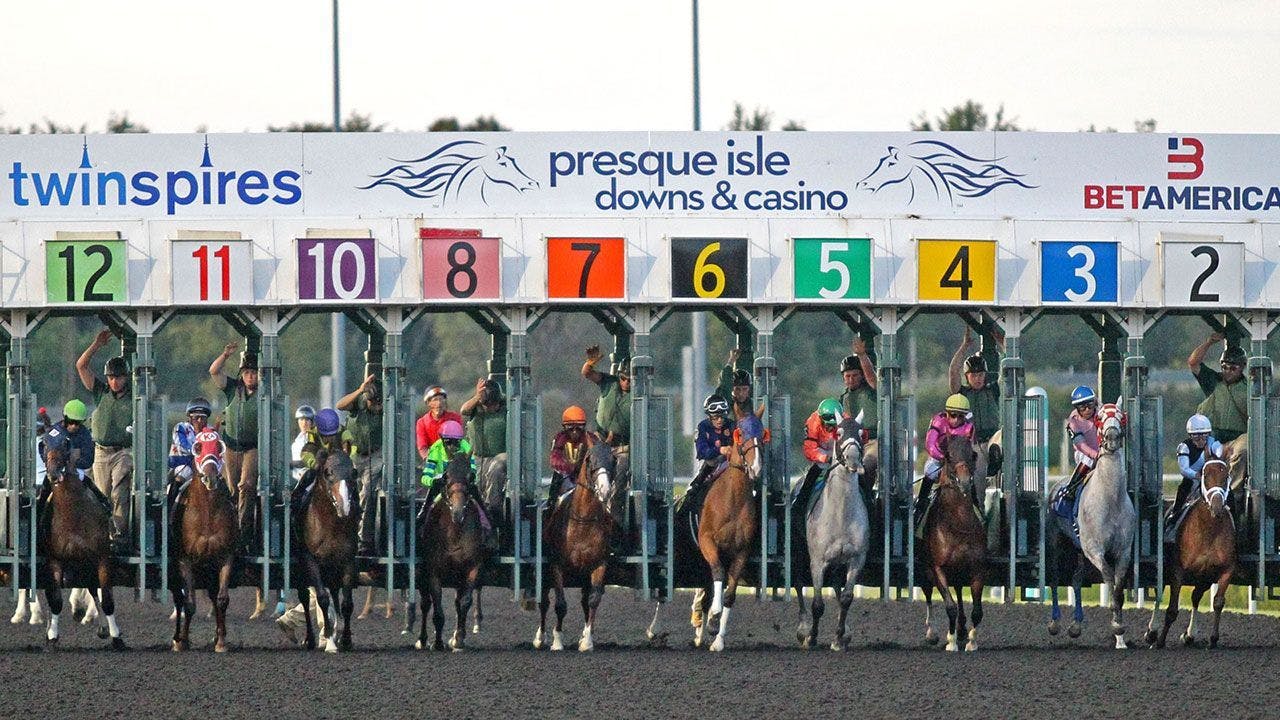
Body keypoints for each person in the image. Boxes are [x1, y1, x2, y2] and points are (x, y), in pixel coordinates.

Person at [278, 407, 350, 644]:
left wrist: (346, 458)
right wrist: (315, 461)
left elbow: (351, 448)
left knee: (352, 493)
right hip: (317, 476)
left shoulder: (342, 434)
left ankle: (357, 526)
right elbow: (308, 454)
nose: (329, 438)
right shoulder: (311, 436)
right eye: (326, 434)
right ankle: (293, 527)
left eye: (332, 434)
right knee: (299, 495)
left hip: (337, 477)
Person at [75, 329, 133, 554]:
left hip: (123, 452)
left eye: (118, 377)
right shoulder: (100, 391)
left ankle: (119, 536)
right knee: (101, 496)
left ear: (125, 377)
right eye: (111, 377)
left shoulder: (134, 394)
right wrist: (96, 344)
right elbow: (81, 365)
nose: (114, 381)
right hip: (101, 452)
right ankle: (101, 536)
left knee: (119, 492)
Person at [209, 342, 261, 553]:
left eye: (254, 373)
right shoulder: (232, 389)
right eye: (247, 372)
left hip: (252, 448)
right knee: (231, 489)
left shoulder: (265, 392)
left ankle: (243, 533)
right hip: (231, 446)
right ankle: (228, 529)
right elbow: (213, 371)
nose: (250, 376)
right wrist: (225, 355)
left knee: (246, 486)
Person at [36, 400, 105, 539]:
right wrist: (53, 465)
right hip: (55, 472)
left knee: (94, 490)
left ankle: (106, 511)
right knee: (43, 495)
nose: (74, 426)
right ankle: (37, 522)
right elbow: (43, 450)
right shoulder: (54, 433)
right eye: (71, 421)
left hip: (75, 471)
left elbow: (88, 459)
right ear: (65, 418)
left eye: (78, 423)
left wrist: (73, 462)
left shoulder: (85, 435)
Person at [1188, 334, 1249, 489]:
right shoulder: (1213, 381)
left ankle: (1233, 493)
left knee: (1242, 452)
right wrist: (1209, 342)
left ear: (1242, 367)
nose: (1227, 371)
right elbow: (1193, 362)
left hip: (1238, 437)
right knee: (1194, 451)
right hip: (1213, 435)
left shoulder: (1249, 389)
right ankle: (1195, 491)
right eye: (1224, 367)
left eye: (1233, 368)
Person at [948, 327, 1005, 489]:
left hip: (994, 438)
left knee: (1002, 438)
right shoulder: (962, 393)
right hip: (974, 443)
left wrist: (1004, 346)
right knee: (979, 475)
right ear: (967, 376)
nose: (978, 379)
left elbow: (1009, 371)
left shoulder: (993, 389)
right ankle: (979, 507)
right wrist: (964, 346)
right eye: (973, 375)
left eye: (981, 375)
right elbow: (953, 371)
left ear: (985, 375)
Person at [914, 394, 978, 527]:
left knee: (968, 478)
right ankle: (921, 504)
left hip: (958, 461)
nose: (956, 420)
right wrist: (943, 457)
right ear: (947, 413)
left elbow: (968, 448)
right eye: (953, 415)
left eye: (960, 416)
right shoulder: (938, 421)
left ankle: (977, 508)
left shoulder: (968, 427)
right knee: (930, 471)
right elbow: (930, 444)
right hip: (939, 458)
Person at [338, 374, 383, 556]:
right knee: (348, 494)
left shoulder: (383, 410)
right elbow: (340, 405)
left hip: (376, 456)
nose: (374, 406)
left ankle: (363, 540)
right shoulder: (358, 403)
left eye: (377, 402)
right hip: (355, 455)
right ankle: (345, 535)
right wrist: (360, 390)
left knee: (368, 493)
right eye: (372, 402)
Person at [419, 419, 488, 535]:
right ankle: (421, 523)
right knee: (428, 508)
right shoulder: (435, 450)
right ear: (442, 439)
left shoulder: (466, 447)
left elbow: (473, 471)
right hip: (441, 486)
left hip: (464, 485)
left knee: (480, 504)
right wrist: (434, 480)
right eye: (448, 442)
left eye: (456, 442)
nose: (451, 446)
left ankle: (489, 528)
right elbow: (425, 477)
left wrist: (471, 476)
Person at [1164, 413, 1226, 538]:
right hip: (1193, 480)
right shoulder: (1184, 447)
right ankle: (1173, 518)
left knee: (1229, 494)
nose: (1201, 440)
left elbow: (1221, 452)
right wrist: (1198, 475)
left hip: (1211, 480)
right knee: (1182, 491)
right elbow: (1184, 469)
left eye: (1204, 436)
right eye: (1196, 437)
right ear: (1190, 436)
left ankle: (1236, 523)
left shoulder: (1212, 443)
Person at [460, 377, 508, 514]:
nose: (490, 408)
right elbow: (463, 410)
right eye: (487, 405)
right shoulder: (475, 409)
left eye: (494, 404)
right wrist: (478, 397)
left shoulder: (506, 410)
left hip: (502, 456)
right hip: (479, 457)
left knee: (496, 467)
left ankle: (493, 508)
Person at [681, 394, 735, 514]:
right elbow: (702, 452)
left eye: (722, 416)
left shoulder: (732, 425)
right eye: (716, 417)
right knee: (693, 490)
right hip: (711, 464)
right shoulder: (703, 427)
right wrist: (720, 450)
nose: (720, 420)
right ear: (709, 416)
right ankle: (682, 513)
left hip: (731, 463)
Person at [839, 338, 879, 495]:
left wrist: (862, 356)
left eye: (855, 375)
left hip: (872, 442)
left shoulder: (872, 390)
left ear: (861, 375)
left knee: (868, 464)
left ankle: (865, 495)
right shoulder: (843, 398)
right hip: (850, 441)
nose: (851, 379)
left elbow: (872, 378)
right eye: (847, 376)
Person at [794, 398, 845, 520]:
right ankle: (798, 506)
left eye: (833, 426)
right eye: (827, 425)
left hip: (840, 453)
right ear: (821, 419)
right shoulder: (813, 422)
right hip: (821, 452)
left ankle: (870, 503)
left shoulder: (846, 420)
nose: (830, 428)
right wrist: (824, 458)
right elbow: (809, 449)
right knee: (812, 475)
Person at [165, 397, 216, 511]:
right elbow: (181, 443)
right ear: (189, 418)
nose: (199, 421)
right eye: (196, 418)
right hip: (182, 462)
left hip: (203, 464)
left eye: (203, 418)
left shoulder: (211, 431)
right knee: (184, 472)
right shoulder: (181, 427)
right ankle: (169, 507)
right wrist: (196, 450)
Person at [581, 346, 629, 448]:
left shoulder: (638, 395)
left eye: (630, 380)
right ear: (618, 375)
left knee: (623, 462)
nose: (626, 382)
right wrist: (590, 362)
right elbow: (587, 373)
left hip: (623, 444)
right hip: (600, 437)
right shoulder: (609, 382)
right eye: (623, 378)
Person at [1058, 386, 1100, 503]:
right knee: (1088, 460)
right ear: (1076, 407)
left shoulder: (1100, 414)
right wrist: (1095, 454)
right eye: (1082, 407)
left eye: (1090, 405)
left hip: (1103, 452)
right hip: (1083, 454)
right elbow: (1081, 445)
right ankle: (1072, 488)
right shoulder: (1073, 422)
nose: (1087, 409)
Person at [548, 406, 591, 506]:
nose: (575, 432)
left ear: (584, 427)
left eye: (579, 428)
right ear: (564, 427)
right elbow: (554, 458)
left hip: (586, 477)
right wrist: (568, 468)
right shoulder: (559, 438)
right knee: (557, 475)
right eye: (571, 428)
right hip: (566, 476)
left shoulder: (590, 438)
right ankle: (550, 507)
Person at [415, 385, 463, 461]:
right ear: (428, 403)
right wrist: (428, 458)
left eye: (441, 399)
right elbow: (422, 446)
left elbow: (458, 441)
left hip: (452, 460)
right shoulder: (422, 422)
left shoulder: (455, 418)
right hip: (433, 460)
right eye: (435, 400)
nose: (439, 403)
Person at [716, 349, 754, 419]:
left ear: (749, 389)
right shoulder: (727, 405)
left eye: (744, 389)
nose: (741, 393)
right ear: (732, 389)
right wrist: (731, 361)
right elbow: (724, 385)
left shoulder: (754, 405)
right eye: (737, 389)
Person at [290, 405, 316, 483]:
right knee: (284, 493)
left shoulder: (314, 438)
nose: (304, 423)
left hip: (308, 480)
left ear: (312, 422)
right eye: (301, 419)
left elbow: (311, 461)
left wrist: (291, 464)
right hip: (294, 478)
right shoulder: (297, 439)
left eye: (307, 420)